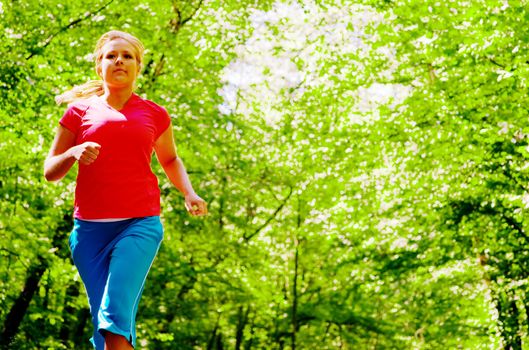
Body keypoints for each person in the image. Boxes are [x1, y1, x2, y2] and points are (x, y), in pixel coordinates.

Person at [44, 30, 208, 350]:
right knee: (105, 331)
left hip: (139, 224)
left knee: (114, 317)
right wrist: (72, 153)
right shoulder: (78, 113)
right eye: (111, 55)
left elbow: (170, 158)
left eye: (127, 56)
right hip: (88, 232)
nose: (119, 60)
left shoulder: (154, 113)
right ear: (99, 66)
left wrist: (189, 193)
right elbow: (51, 171)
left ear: (138, 67)